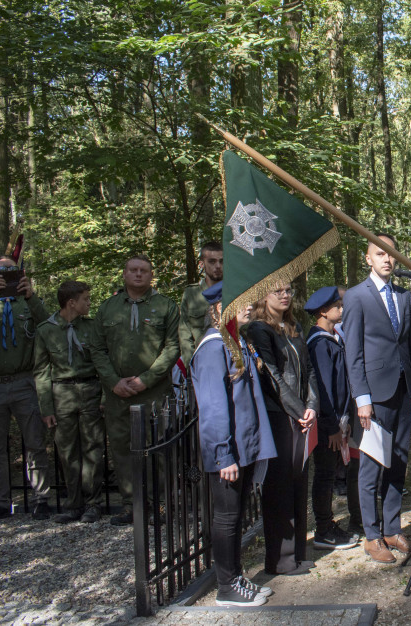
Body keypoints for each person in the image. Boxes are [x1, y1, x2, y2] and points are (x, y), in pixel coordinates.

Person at [191, 283, 276, 607]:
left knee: (236, 516)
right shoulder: (214, 346)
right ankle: (226, 587)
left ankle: (236, 576)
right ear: (217, 309)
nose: (247, 305)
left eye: (246, 300)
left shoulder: (236, 342)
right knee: (226, 518)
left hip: (242, 448)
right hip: (227, 452)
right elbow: (213, 408)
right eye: (236, 301)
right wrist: (223, 454)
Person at [341, 233, 411, 564]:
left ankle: (392, 528)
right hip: (373, 395)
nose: (387, 259)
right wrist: (362, 398)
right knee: (373, 465)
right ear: (368, 259)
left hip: (403, 390)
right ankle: (372, 536)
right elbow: (353, 352)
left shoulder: (404, 297)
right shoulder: (357, 297)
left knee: (398, 462)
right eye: (380, 253)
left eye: (391, 253)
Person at [90, 254, 180, 525]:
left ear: (151, 275)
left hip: (154, 393)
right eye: (133, 270)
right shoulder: (107, 308)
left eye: (144, 270)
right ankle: (132, 505)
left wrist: (146, 379)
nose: (138, 274)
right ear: (125, 274)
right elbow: (97, 349)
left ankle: (161, 505)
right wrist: (113, 382)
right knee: (122, 448)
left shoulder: (166, 306)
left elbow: (173, 347)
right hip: (118, 395)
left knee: (158, 448)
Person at [245, 281, 319, 575]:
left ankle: (298, 553)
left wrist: (312, 404)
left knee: (299, 484)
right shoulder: (258, 330)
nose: (285, 295)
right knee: (280, 489)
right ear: (263, 295)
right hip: (279, 416)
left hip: (302, 414)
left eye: (288, 290)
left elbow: (309, 369)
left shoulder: (294, 327)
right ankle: (280, 560)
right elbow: (272, 377)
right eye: (278, 291)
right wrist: (300, 410)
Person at [0, 256, 52, 522]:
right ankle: (0, 502)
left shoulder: (26, 303)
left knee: (35, 443)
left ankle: (41, 498)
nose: (6, 274)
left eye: (11, 270)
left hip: (24, 382)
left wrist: (32, 297)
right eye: (0, 271)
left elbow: (49, 328)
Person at [33, 281, 105, 523]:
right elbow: (41, 371)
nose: (89, 303)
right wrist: (46, 407)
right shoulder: (45, 330)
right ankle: (73, 503)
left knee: (93, 448)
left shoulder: (92, 327)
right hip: (61, 393)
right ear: (71, 303)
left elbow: (102, 362)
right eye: (85, 299)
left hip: (89, 388)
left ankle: (93, 503)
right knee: (66, 451)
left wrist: (104, 394)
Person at [304, 285, 361, 551]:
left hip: (338, 420)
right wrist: (331, 426)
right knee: (325, 475)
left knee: (330, 472)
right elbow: (324, 389)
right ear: (324, 312)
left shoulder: (331, 338)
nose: (341, 309)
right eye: (337, 306)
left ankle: (328, 525)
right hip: (329, 424)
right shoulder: (318, 343)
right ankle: (323, 529)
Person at [179, 242, 224, 365]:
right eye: (212, 261)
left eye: (222, 261)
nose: (218, 266)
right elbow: (185, 333)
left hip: (233, 362)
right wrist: (191, 365)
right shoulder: (191, 293)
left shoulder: (234, 291)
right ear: (201, 264)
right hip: (202, 362)